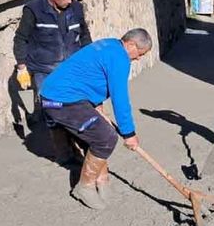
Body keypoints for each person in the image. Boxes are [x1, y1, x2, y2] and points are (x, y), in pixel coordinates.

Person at [39, 29, 152, 209]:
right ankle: (85, 187)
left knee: (97, 131)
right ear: (131, 45)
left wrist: (98, 106)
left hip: (65, 95)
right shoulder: (120, 58)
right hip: (61, 100)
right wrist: (129, 133)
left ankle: (102, 179)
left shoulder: (109, 45)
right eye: (140, 53)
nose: (138, 58)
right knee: (106, 138)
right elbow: (120, 97)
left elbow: (90, 75)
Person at [13, 0, 92, 164]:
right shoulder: (33, 10)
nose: (70, 0)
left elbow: (84, 34)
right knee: (53, 111)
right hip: (44, 70)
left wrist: (89, 59)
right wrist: (21, 66)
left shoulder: (76, 8)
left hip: (72, 69)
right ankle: (63, 152)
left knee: (75, 109)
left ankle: (78, 148)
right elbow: (21, 38)